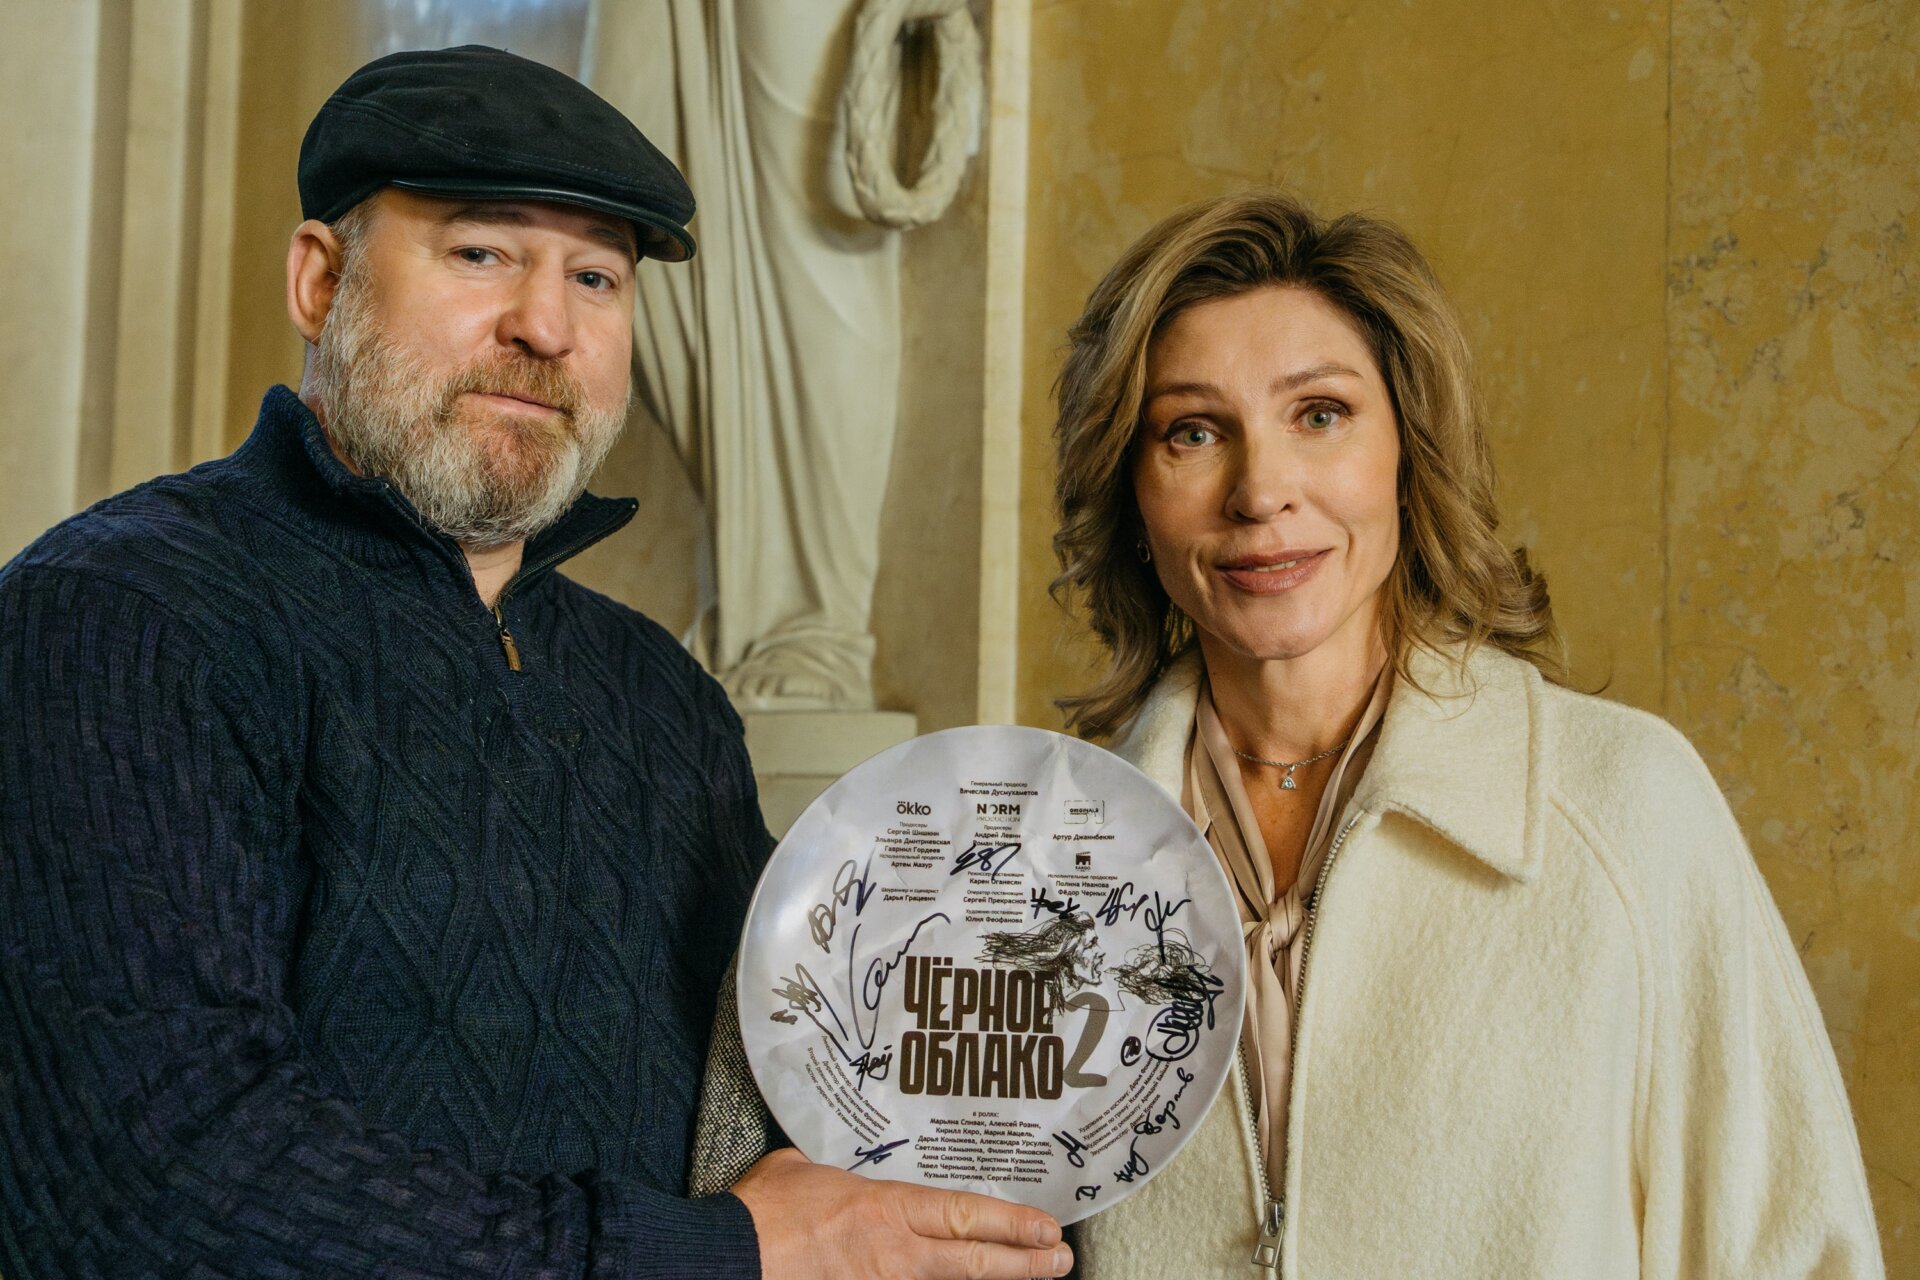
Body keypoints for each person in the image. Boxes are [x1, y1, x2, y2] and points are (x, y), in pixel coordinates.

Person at [0, 46, 1069, 1280]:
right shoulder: (120, 617)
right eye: (481, 253)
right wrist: (719, 1252)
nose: (546, 327)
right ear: (320, 279)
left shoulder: (666, 702)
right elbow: (148, 1181)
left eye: (596, 277)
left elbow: (801, 1084)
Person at [1046, 190, 1883, 1277]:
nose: (1261, 492)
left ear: (1408, 452)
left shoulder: (1624, 806)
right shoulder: (1045, 859)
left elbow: (1800, 1252)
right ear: (1131, 488)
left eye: (1320, 414)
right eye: (1192, 432)